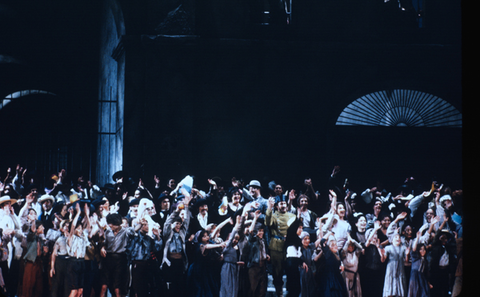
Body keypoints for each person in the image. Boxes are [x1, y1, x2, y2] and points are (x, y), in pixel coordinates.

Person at [161, 191, 192, 297]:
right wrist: (177, 210)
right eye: (176, 223)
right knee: (171, 287)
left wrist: (186, 206)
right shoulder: (168, 233)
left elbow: (186, 221)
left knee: (181, 286)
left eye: (180, 223)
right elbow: (167, 222)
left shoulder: (182, 233)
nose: (178, 226)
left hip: (180, 262)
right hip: (170, 262)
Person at [265, 194, 296, 297]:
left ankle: (291, 292)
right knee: (277, 272)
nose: (283, 205)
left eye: (284, 203)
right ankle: (279, 293)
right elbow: (268, 223)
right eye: (281, 203)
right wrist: (269, 208)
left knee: (291, 271)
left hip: (289, 247)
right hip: (276, 246)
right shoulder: (273, 215)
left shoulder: (292, 216)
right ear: (277, 206)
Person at [99, 213, 136, 297]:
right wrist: (103, 248)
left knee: (117, 285)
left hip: (120, 259)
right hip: (108, 259)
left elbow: (135, 230)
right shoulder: (108, 231)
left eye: (112, 224)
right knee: (104, 284)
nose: (110, 225)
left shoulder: (125, 231)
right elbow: (105, 242)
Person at [186, 229, 226, 297]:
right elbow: (205, 247)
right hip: (198, 271)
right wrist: (219, 245)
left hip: (207, 271)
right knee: (199, 290)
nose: (207, 237)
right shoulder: (199, 245)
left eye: (207, 236)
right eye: (204, 236)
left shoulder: (210, 245)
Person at [244, 210, 270, 297]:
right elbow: (251, 231)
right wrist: (255, 218)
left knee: (262, 290)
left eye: (262, 231)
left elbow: (262, 251)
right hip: (254, 267)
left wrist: (266, 256)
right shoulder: (253, 240)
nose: (261, 233)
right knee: (252, 289)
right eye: (259, 231)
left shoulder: (263, 241)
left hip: (262, 267)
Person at [315, 231, 348, 297]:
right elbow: (322, 241)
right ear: (329, 247)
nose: (335, 246)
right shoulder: (328, 254)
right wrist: (329, 233)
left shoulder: (336, 255)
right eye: (332, 245)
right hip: (329, 279)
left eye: (335, 244)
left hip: (337, 277)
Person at [219, 216, 244, 297]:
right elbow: (231, 237)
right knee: (226, 287)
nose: (235, 240)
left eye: (237, 239)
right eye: (234, 238)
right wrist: (237, 225)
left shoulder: (237, 248)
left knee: (234, 287)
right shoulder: (227, 245)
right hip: (227, 268)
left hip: (234, 268)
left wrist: (237, 263)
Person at [380, 230, 408, 297]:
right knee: (390, 290)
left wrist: (407, 254)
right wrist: (382, 255)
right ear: (391, 240)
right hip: (391, 270)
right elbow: (383, 260)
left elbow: (406, 261)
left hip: (400, 271)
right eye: (395, 237)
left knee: (400, 292)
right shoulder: (388, 248)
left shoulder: (403, 248)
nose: (398, 238)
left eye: (399, 237)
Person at [284, 218, 308, 297]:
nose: (301, 230)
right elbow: (292, 228)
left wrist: (302, 262)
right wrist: (298, 217)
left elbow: (299, 254)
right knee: (292, 288)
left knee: (297, 288)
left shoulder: (298, 240)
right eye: (299, 228)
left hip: (296, 264)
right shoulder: (290, 237)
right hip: (290, 264)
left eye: (302, 228)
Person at [407, 226, 432, 297]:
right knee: (415, 292)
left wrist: (428, 282)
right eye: (421, 249)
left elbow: (427, 273)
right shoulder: (415, 258)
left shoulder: (425, 261)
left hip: (422, 278)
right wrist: (417, 238)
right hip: (414, 277)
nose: (422, 251)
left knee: (423, 293)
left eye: (424, 249)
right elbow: (413, 249)